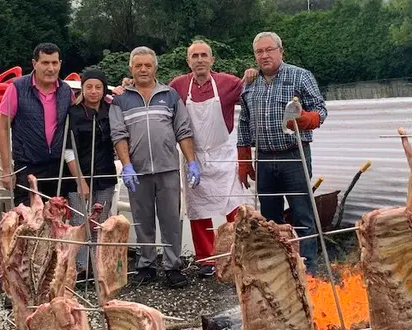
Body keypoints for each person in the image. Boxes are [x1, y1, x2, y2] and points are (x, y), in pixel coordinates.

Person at [237, 32, 327, 274]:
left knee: (302, 214)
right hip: (264, 158)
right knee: (269, 218)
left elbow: (321, 109)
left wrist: (308, 119)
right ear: (255, 55)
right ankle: (279, 268)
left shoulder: (300, 76)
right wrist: (244, 157)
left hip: (294, 156)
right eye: (259, 51)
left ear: (280, 51)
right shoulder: (250, 83)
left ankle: (308, 270)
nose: (264, 55)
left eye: (269, 50)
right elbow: (244, 121)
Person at [110, 46, 200, 288]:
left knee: (171, 220)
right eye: (138, 65)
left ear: (155, 68)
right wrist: (126, 166)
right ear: (131, 68)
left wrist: (191, 161)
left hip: (168, 169)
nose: (143, 69)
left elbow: (183, 129)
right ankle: (146, 265)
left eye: (147, 65)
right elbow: (118, 135)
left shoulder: (170, 95)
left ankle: (173, 267)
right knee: (142, 220)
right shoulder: (120, 99)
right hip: (137, 172)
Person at [167, 40, 257, 277]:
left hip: (222, 154)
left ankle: (239, 253)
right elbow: (157, 97)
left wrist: (251, 75)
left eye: (204, 55)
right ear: (188, 61)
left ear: (212, 60)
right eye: (194, 56)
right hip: (193, 155)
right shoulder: (178, 85)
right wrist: (127, 87)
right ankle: (206, 260)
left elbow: (253, 94)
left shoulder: (228, 83)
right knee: (199, 211)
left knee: (234, 206)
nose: (199, 60)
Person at [0, 42, 76, 206]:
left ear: (60, 64)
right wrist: (6, 169)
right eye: (45, 63)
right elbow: (3, 128)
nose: (51, 68)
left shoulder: (66, 91)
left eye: (54, 63)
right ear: (35, 64)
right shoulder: (16, 88)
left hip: (58, 168)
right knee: (28, 224)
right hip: (27, 166)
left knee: (57, 224)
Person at [64, 68, 117, 276]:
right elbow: (68, 150)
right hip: (79, 176)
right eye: (89, 87)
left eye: (98, 87)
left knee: (100, 223)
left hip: (105, 175)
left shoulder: (111, 111)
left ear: (104, 90)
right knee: (80, 222)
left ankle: (98, 268)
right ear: (82, 89)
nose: (93, 91)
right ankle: (80, 268)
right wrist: (80, 181)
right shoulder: (73, 113)